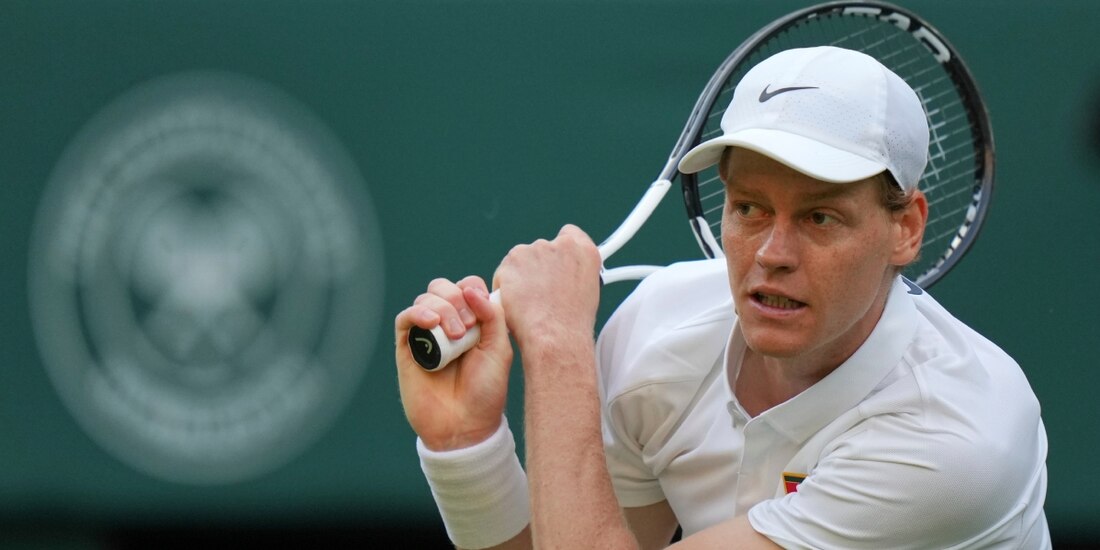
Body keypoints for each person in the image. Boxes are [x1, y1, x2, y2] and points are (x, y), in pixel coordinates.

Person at [395, 46, 1050, 549]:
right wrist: (466, 442)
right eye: (749, 208)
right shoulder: (658, 332)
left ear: (905, 227)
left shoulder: (956, 443)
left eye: (820, 217)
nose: (772, 254)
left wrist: (559, 348)